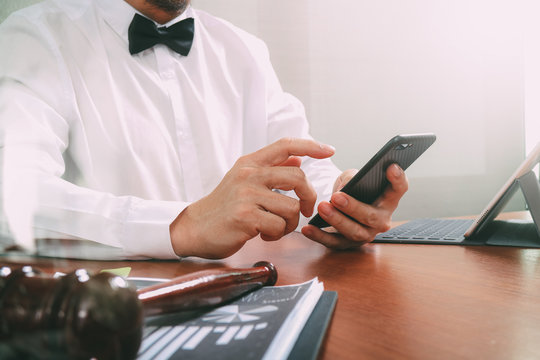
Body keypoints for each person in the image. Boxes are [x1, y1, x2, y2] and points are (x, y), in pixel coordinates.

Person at [0, 0, 408, 259]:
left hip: (246, 290)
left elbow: (300, 168)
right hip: (104, 313)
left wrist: (341, 202)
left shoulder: (244, 48)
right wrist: (183, 226)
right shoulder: (36, 35)